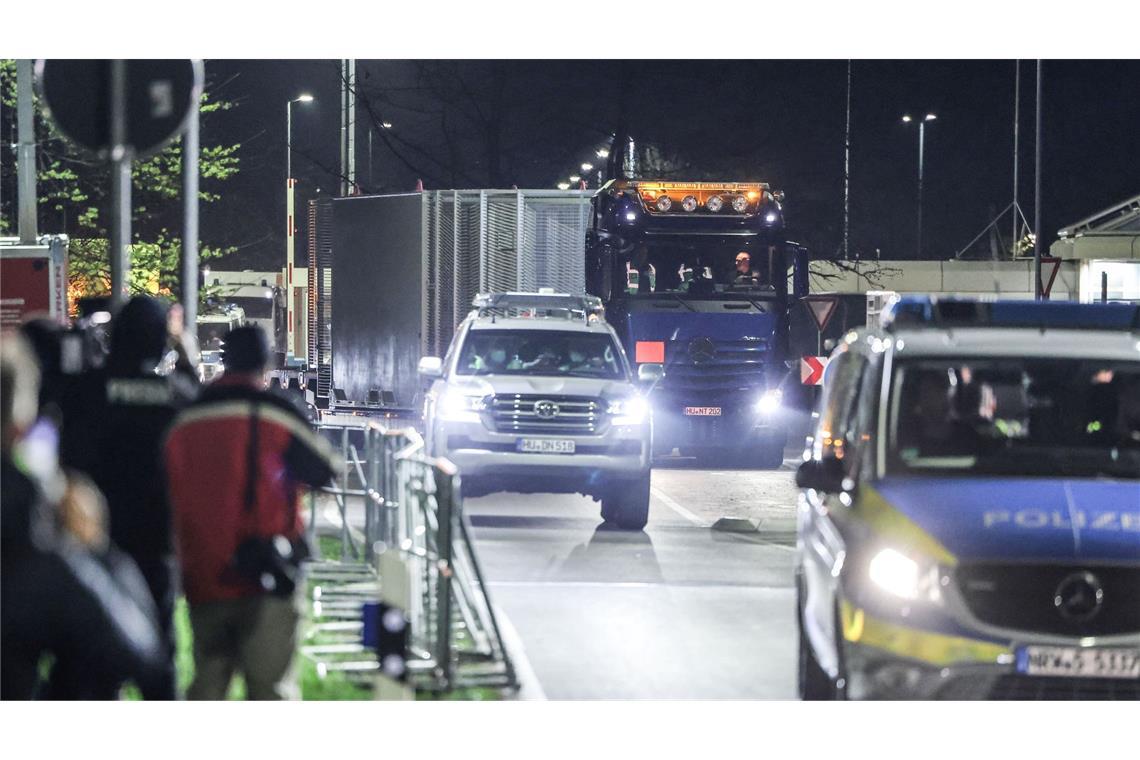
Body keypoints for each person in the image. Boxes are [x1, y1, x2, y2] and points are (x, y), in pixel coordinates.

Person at [165, 326, 337, 700]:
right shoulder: (277, 413)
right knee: (270, 690)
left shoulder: (187, 418)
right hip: (267, 573)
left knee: (208, 684)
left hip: (204, 573)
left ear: (225, 362)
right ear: (265, 362)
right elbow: (325, 468)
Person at [2, 334, 167, 700]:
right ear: (20, 424)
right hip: (151, 541)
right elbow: (142, 657)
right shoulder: (44, 555)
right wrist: (98, 552)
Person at [66, 295, 198, 700]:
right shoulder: (176, 394)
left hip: (95, 540)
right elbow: (200, 398)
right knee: (159, 657)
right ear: (160, 341)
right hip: (156, 540)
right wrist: (183, 347)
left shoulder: (88, 388)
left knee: (94, 662)